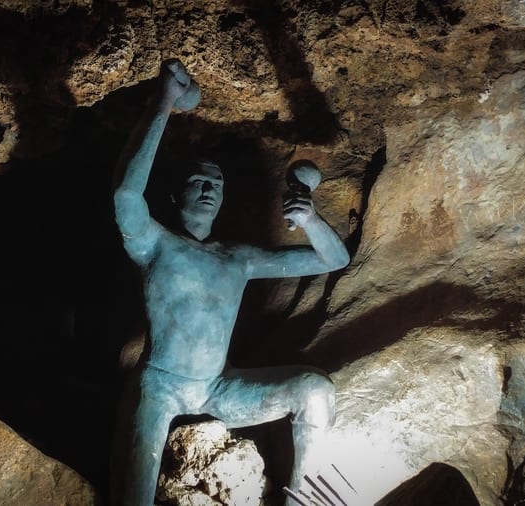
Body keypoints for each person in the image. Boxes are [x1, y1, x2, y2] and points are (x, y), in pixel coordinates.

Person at [112, 58, 350, 506]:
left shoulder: (237, 258)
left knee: (315, 389)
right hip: (160, 386)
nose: (209, 190)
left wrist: (312, 219)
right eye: (199, 181)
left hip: (218, 386)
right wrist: (164, 101)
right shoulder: (154, 243)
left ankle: (297, 496)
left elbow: (334, 259)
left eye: (217, 184)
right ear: (173, 194)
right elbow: (126, 194)